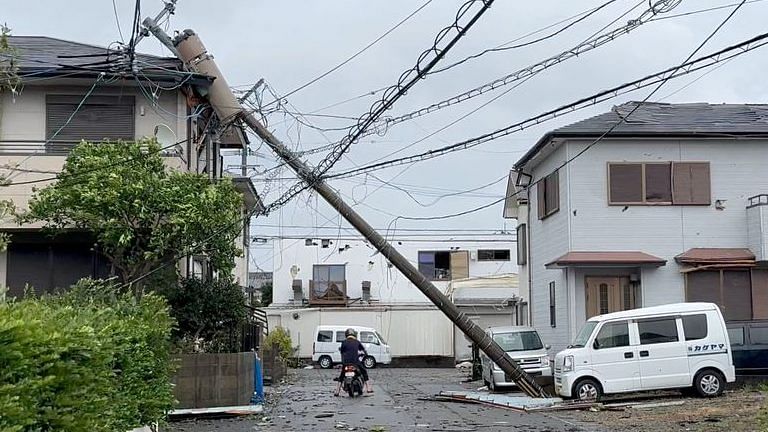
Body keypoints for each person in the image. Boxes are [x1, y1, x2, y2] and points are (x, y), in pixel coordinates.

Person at [334, 328, 373, 396]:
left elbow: (342, 351)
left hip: (346, 363)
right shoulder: (357, 342)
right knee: (364, 371)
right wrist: (365, 354)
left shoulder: (343, 342)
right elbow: (363, 350)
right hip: (355, 362)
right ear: (354, 334)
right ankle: (368, 388)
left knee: (341, 376)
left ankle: (337, 391)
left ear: (346, 335)